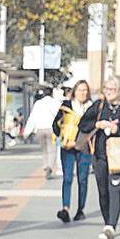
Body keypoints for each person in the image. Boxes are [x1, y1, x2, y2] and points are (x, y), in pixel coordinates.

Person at [79, 76, 120, 239]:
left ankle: (111, 226)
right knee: (103, 191)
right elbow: (83, 125)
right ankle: (107, 222)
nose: (108, 92)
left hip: (119, 157)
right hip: (99, 155)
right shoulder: (99, 106)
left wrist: (117, 129)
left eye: (112, 89)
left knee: (114, 190)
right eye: (106, 89)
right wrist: (98, 125)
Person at [51, 80, 93, 223]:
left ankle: (80, 210)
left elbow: (93, 130)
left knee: (83, 179)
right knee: (67, 178)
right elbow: (56, 124)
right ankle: (66, 208)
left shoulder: (92, 108)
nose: (83, 93)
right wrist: (62, 138)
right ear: (74, 91)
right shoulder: (66, 106)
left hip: (84, 148)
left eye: (85, 90)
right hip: (67, 146)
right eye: (80, 90)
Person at [24, 88, 61, 179]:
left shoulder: (38, 103)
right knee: (52, 150)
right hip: (51, 130)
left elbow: (32, 118)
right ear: (52, 93)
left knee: (44, 149)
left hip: (40, 129)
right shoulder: (55, 103)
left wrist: (26, 132)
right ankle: (50, 167)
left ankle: (45, 165)